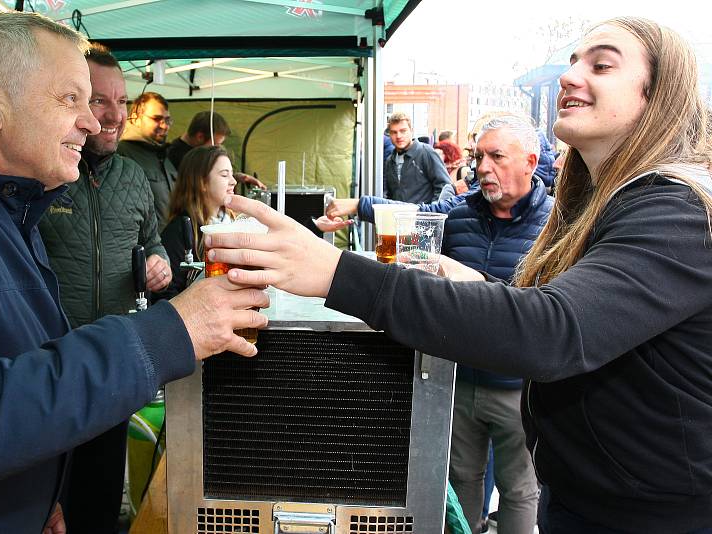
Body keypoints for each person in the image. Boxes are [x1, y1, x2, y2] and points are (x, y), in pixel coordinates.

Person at [205, 17, 712, 533]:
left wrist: (334, 271)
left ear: (659, 95)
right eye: (574, 61)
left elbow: (554, 332)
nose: (570, 75)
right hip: (593, 500)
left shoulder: (677, 209)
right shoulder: (600, 204)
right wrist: (476, 287)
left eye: (601, 64)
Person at [0, 12, 267, 534]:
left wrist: (37, 496)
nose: (94, 121)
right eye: (70, 99)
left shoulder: (8, 201)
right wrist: (171, 332)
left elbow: (8, 360)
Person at [37, 43, 170, 533]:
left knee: (97, 502)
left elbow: (153, 245)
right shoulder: (45, 171)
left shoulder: (135, 177)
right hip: (46, 367)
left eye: (121, 101)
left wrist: (158, 265)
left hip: (113, 363)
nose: (113, 115)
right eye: (98, 100)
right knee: (44, 503)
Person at [442, 115, 551, 534]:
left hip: (521, 390)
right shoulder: (458, 219)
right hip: (460, 382)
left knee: (520, 492)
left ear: (529, 160)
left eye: (496, 156)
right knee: (458, 485)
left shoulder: (557, 226)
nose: (483, 167)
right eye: (478, 157)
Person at [161, 145, 237, 293]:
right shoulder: (177, 231)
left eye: (232, 174)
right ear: (202, 182)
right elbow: (168, 294)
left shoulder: (233, 222)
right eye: (224, 175)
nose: (233, 181)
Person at [117, 91, 178, 231]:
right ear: (134, 119)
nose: (164, 125)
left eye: (167, 120)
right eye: (157, 119)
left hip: (168, 247)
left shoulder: (162, 154)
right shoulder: (121, 153)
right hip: (144, 248)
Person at [166, 110, 266, 190]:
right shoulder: (177, 157)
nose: (217, 148)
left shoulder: (195, 152)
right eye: (216, 144)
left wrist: (239, 176)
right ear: (200, 136)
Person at [384, 111, 454, 203]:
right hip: (398, 216)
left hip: (424, 215)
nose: (399, 136)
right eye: (394, 132)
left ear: (411, 131)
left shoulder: (426, 152)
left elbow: (445, 187)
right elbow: (391, 194)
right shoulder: (390, 160)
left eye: (403, 131)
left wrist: (431, 212)